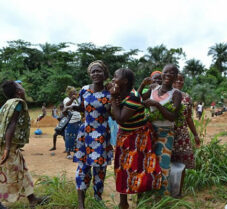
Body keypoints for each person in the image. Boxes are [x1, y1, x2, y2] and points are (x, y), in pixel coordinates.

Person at [109, 68, 162, 209]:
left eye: (116, 76)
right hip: (125, 137)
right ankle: (124, 202)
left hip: (138, 138)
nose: (113, 79)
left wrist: (113, 98)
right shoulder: (120, 94)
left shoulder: (132, 97)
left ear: (125, 81)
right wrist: (114, 99)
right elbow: (113, 115)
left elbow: (120, 118)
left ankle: (141, 200)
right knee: (121, 169)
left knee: (139, 169)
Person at [68, 61, 113, 209]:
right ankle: (81, 204)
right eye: (93, 71)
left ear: (105, 73)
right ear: (89, 74)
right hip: (85, 134)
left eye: (99, 71)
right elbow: (83, 107)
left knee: (100, 171)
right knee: (83, 168)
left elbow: (114, 112)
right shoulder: (84, 90)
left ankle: (97, 200)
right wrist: (73, 107)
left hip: (101, 134)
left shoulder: (110, 93)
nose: (95, 74)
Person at [0, 81, 45, 208]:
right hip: (7, 146)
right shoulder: (17, 104)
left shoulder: (7, 104)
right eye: (21, 87)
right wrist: (7, 148)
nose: (23, 88)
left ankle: (32, 199)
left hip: (6, 145)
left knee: (22, 170)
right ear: (18, 92)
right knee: (8, 172)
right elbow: (11, 125)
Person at [143, 64, 182, 195]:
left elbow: (172, 117)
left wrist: (157, 105)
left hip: (166, 133)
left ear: (176, 77)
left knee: (163, 164)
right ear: (162, 74)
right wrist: (142, 86)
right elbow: (140, 100)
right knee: (148, 163)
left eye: (172, 73)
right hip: (150, 132)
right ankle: (147, 194)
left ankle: (162, 197)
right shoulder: (154, 88)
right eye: (166, 72)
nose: (168, 75)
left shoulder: (176, 94)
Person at [171, 73, 200, 197]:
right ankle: (166, 190)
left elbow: (188, 118)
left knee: (181, 164)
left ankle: (178, 192)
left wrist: (195, 134)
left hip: (182, 135)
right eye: (176, 79)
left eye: (181, 80)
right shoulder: (165, 94)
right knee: (166, 162)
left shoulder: (187, 97)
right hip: (167, 133)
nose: (179, 82)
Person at [63, 86, 81, 159]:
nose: (76, 92)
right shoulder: (66, 99)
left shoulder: (76, 100)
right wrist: (72, 99)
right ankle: (68, 153)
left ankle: (76, 152)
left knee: (77, 137)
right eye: (74, 91)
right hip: (71, 121)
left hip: (78, 120)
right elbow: (66, 105)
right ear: (70, 93)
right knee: (69, 137)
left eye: (76, 91)